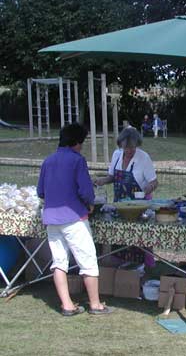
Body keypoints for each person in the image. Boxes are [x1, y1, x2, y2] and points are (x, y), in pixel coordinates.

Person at [37, 123, 112, 316]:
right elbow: (86, 190)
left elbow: (41, 192)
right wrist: (90, 203)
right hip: (73, 218)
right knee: (88, 260)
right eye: (82, 142)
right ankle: (95, 304)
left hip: (51, 220)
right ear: (77, 142)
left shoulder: (48, 161)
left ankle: (67, 304)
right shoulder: (77, 160)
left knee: (59, 262)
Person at [95, 127, 158, 266]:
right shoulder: (116, 155)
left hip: (138, 207)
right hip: (119, 206)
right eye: (126, 148)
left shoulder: (143, 158)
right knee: (120, 239)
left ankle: (141, 268)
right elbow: (112, 177)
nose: (129, 151)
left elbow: (154, 182)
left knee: (139, 239)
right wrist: (103, 180)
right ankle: (122, 269)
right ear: (120, 145)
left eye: (132, 148)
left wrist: (147, 189)